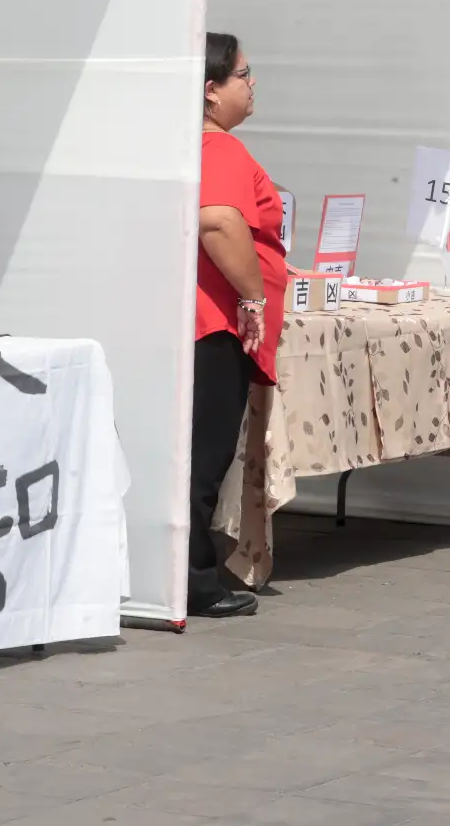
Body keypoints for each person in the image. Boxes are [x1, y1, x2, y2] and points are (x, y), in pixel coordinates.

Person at [190, 33, 289, 618]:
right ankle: (193, 579)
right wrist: (253, 296)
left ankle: (190, 573)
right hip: (216, 325)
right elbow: (219, 222)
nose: (253, 85)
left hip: (205, 322)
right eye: (244, 75)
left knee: (198, 456)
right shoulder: (218, 149)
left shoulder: (203, 147)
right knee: (203, 459)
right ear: (210, 91)